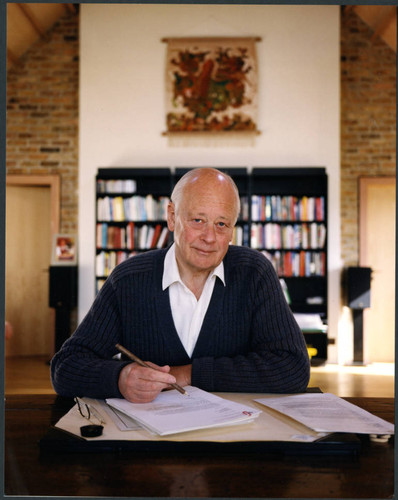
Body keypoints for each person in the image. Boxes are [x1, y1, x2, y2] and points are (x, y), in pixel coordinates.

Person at [51, 168, 310, 403]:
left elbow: (293, 367)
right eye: (198, 220)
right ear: (172, 217)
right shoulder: (128, 279)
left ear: (232, 230)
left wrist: (188, 374)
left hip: (232, 440)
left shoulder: (254, 273)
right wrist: (120, 377)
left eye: (221, 224)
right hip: (148, 443)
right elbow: (66, 367)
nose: (209, 237)